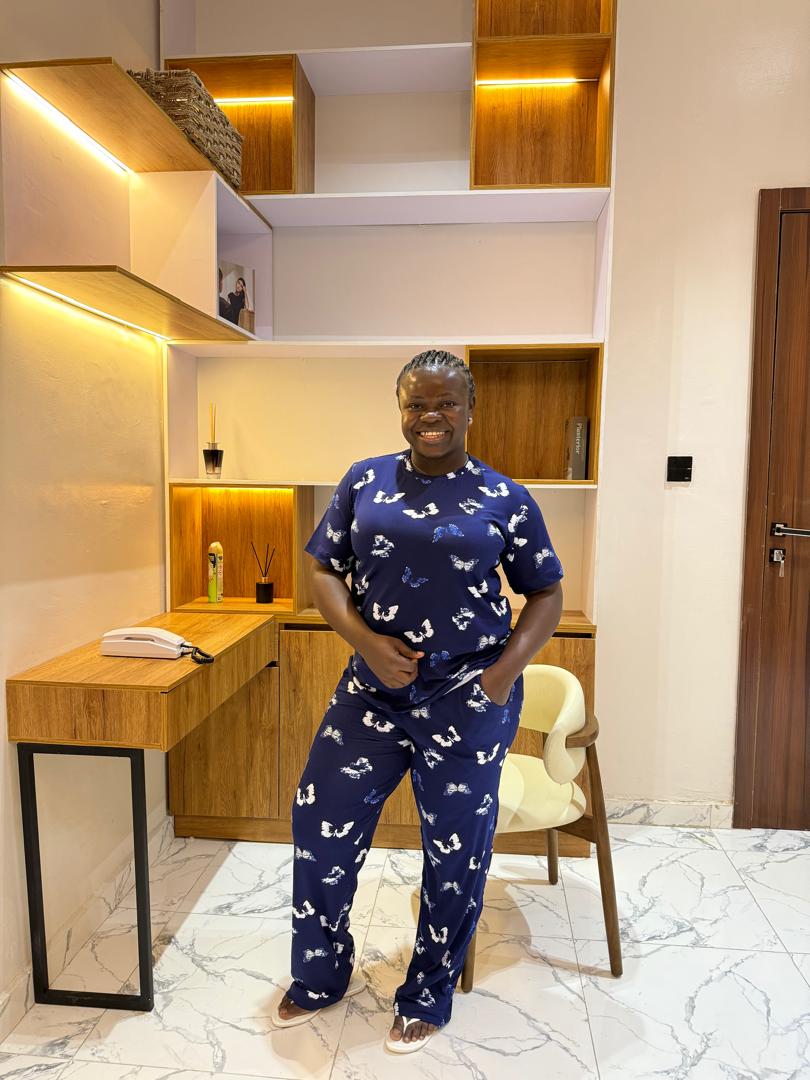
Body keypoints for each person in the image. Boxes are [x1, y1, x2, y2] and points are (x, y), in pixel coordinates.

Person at [275, 350, 564, 1053]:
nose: (431, 417)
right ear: (400, 409)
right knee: (319, 822)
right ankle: (319, 974)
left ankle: (428, 991)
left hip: (469, 696)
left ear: (470, 409)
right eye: (417, 404)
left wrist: (500, 679)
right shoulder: (364, 480)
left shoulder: (504, 497)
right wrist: (364, 640)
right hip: (372, 692)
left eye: (446, 403)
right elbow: (323, 567)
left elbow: (546, 593)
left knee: (455, 849)